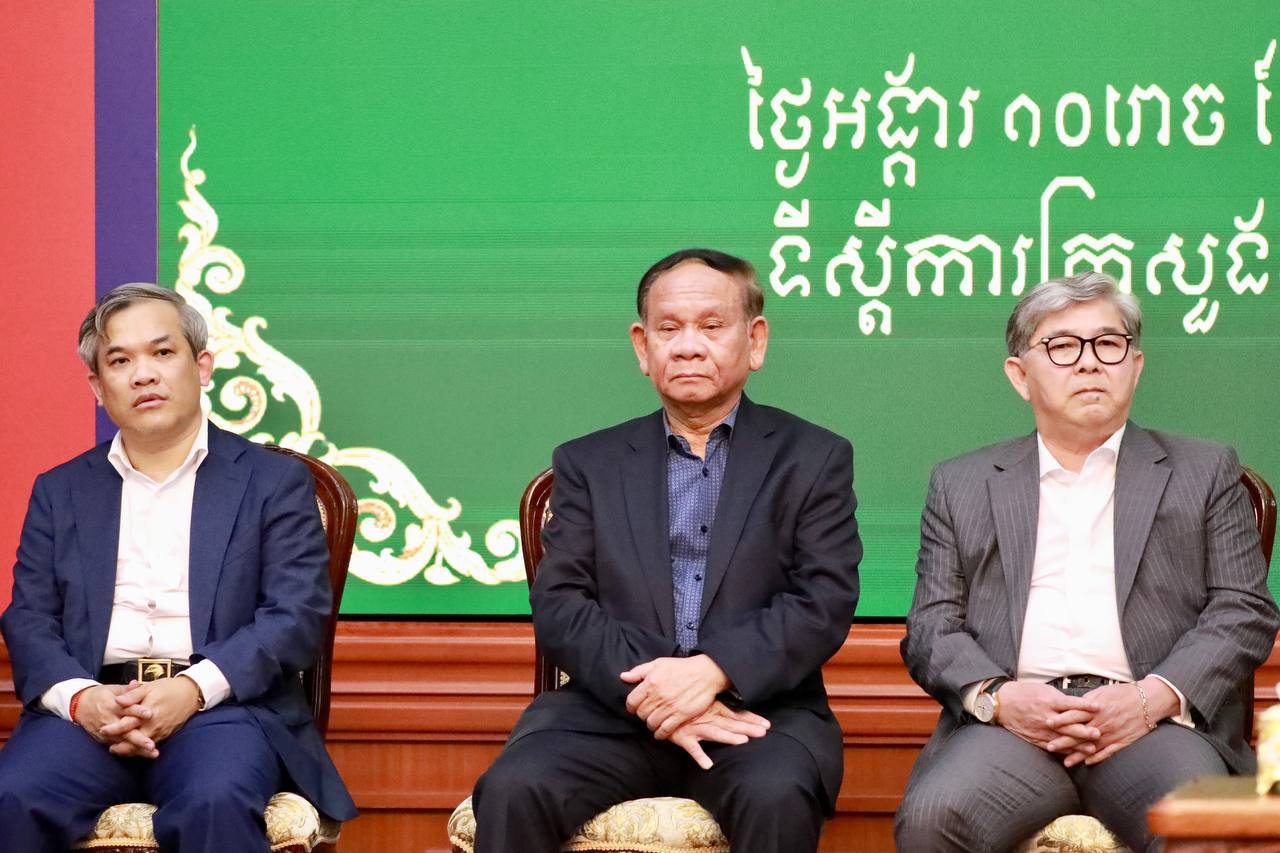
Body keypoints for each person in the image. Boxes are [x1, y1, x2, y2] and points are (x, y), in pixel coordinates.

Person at [472, 248, 862, 853]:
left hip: (757, 713)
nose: (687, 347)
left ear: (756, 340)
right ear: (642, 346)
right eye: (668, 329)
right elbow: (561, 604)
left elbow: (823, 601)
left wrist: (712, 671)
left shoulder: (813, 458)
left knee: (776, 794)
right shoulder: (589, 463)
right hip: (610, 711)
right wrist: (663, 694)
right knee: (514, 788)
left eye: (712, 326)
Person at [895, 272, 1280, 852]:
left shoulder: (1204, 472)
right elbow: (931, 627)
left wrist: (1150, 699)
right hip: (1014, 727)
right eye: (1062, 346)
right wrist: (1001, 698)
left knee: (1199, 826)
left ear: (1136, 365)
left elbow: (1244, 610)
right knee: (932, 818)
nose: (1090, 362)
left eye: (1108, 343)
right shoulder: (962, 484)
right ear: (1020, 375)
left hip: (1153, 725)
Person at [0, 283, 356, 853]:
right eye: (120, 361)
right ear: (98, 388)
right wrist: (82, 700)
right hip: (92, 710)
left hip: (222, 709)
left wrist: (191, 690)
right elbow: (30, 619)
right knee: (11, 795)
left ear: (202, 365)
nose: (143, 375)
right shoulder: (60, 490)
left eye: (162, 353)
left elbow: (295, 616)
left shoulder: (271, 482)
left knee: (214, 799)